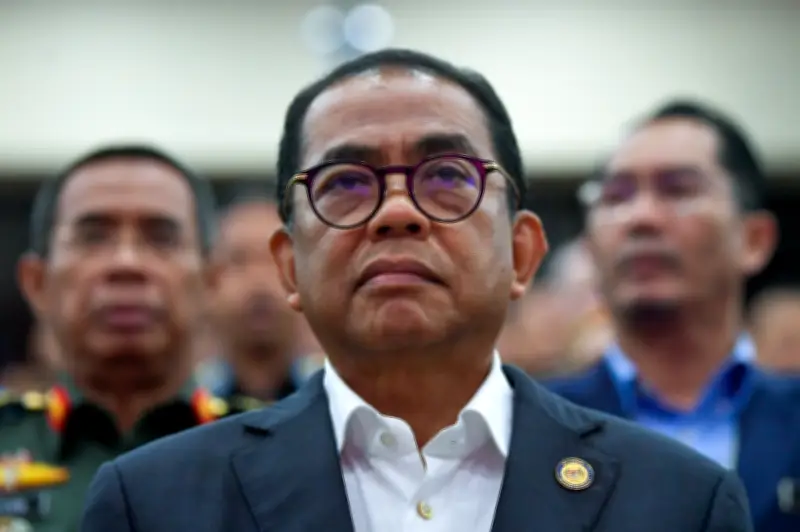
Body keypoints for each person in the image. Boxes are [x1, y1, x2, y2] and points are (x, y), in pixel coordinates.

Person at [80, 50, 752, 532]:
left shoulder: (681, 501)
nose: (397, 211)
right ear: (289, 268)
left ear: (522, 253)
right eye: (346, 183)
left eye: (448, 177)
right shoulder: (153, 502)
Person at [545, 101, 800, 531]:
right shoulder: (528, 425)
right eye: (615, 197)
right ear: (589, 246)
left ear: (754, 239)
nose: (641, 217)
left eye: (679, 191)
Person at [0, 145, 257, 532]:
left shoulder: (278, 455)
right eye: (93, 237)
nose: (126, 263)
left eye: (161, 238)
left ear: (211, 281)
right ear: (36, 283)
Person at [196, 191, 323, 409]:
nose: (259, 282)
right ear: (208, 283)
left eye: (276, 261)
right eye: (239, 261)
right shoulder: (180, 408)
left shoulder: (336, 403)